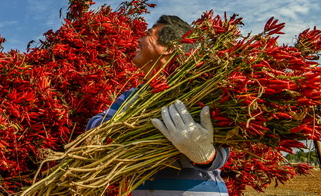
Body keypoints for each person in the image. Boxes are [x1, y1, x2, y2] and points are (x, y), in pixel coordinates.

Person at [87, 15, 230, 196]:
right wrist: (129, 127)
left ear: (169, 48)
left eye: (148, 34)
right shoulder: (131, 96)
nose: (138, 40)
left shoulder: (200, 93)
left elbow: (224, 148)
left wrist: (204, 155)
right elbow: (94, 127)